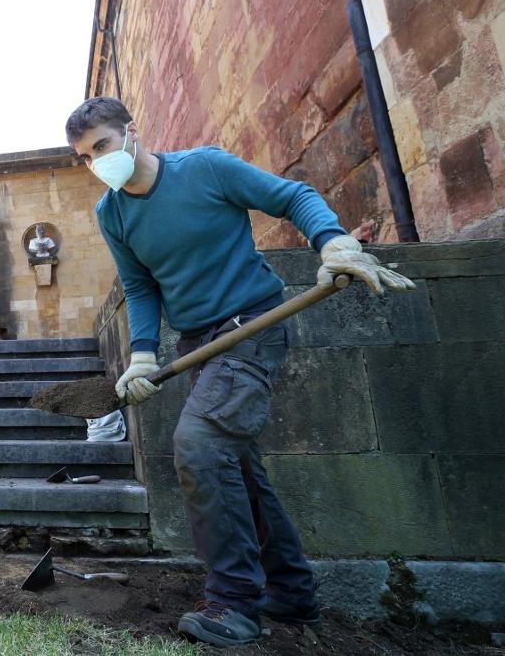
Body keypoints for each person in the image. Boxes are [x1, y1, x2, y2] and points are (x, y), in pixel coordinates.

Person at [65, 97, 414, 647]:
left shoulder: (205, 168)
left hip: (251, 327)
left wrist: (334, 241)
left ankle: (233, 603)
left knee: (201, 446)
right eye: (85, 158)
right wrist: (142, 355)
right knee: (237, 467)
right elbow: (140, 286)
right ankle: (292, 594)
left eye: (102, 146)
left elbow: (292, 196)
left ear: (133, 132)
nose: (97, 163)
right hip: (200, 344)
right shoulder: (112, 213)